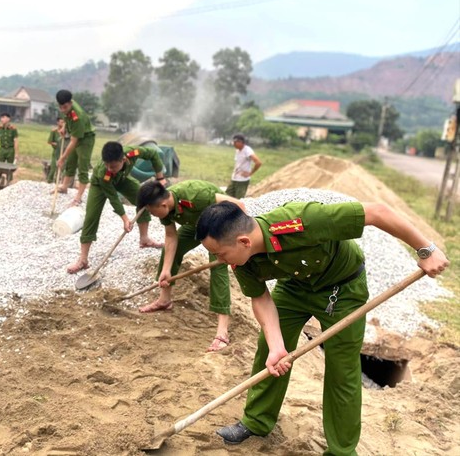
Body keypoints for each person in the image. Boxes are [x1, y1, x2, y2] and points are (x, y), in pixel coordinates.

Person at [195, 200, 449, 454]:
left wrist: (425, 249)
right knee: (268, 352)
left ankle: (341, 450)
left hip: (342, 289)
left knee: (342, 369)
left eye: (219, 253)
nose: (219, 260)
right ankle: (257, 421)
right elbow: (260, 298)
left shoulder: (303, 221)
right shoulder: (242, 260)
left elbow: (377, 212)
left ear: (244, 241)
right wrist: (276, 346)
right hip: (294, 287)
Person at [136, 180, 245, 352]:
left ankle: (222, 331)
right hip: (196, 225)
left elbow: (239, 205)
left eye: (152, 212)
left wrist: (237, 240)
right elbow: (171, 237)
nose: (154, 215)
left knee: (218, 269)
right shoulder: (165, 208)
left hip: (218, 227)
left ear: (163, 204)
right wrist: (166, 270)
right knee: (171, 251)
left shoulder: (196, 195)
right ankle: (164, 300)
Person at [67, 141, 165, 274]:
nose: (109, 168)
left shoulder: (133, 153)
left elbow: (153, 154)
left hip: (122, 179)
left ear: (123, 159)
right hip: (100, 185)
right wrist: (124, 218)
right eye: (106, 164)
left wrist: (160, 178)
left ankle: (144, 239)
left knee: (143, 199)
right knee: (91, 217)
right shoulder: (104, 173)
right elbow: (113, 197)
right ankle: (83, 260)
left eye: (112, 166)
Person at [55, 90, 96, 207]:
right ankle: (64, 187)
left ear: (70, 103)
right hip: (77, 136)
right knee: (70, 162)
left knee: (82, 166)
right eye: (60, 107)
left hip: (86, 139)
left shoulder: (78, 116)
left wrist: (62, 158)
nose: (62, 109)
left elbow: (73, 141)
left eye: (65, 107)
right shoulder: (67, 105)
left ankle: (78, 198)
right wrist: (64, 127)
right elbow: (67, 118)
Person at [225, 134, 262, 199]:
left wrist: (250, 173)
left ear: (240, 142)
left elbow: (258, 163)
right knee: (226, 196)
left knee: (238, 200)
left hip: (242, 181)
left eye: (235, 142)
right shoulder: (238, 150)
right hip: (235, 179)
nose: (233, 144)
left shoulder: (247, 150)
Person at [0, 112, 19, 182]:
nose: (1, 119)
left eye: (3, 117)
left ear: (8, 119)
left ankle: (8, 182)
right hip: (2, 150)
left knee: (10, 168)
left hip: (10, 150)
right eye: (1, 117)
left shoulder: (13, 129)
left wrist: (16, 153)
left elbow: (16, 142)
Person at [47, 117, 69, 183]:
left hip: (64, 153)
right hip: (56, 152)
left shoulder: (66, 132)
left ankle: (59, 182)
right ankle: (49, 181)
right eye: (61, 122)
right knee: (53, 168)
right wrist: (56, 144)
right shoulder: (54, 131)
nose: (62, 124)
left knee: (62, 169)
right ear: (58, 122)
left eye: (63, 122)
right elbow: (49, 141)